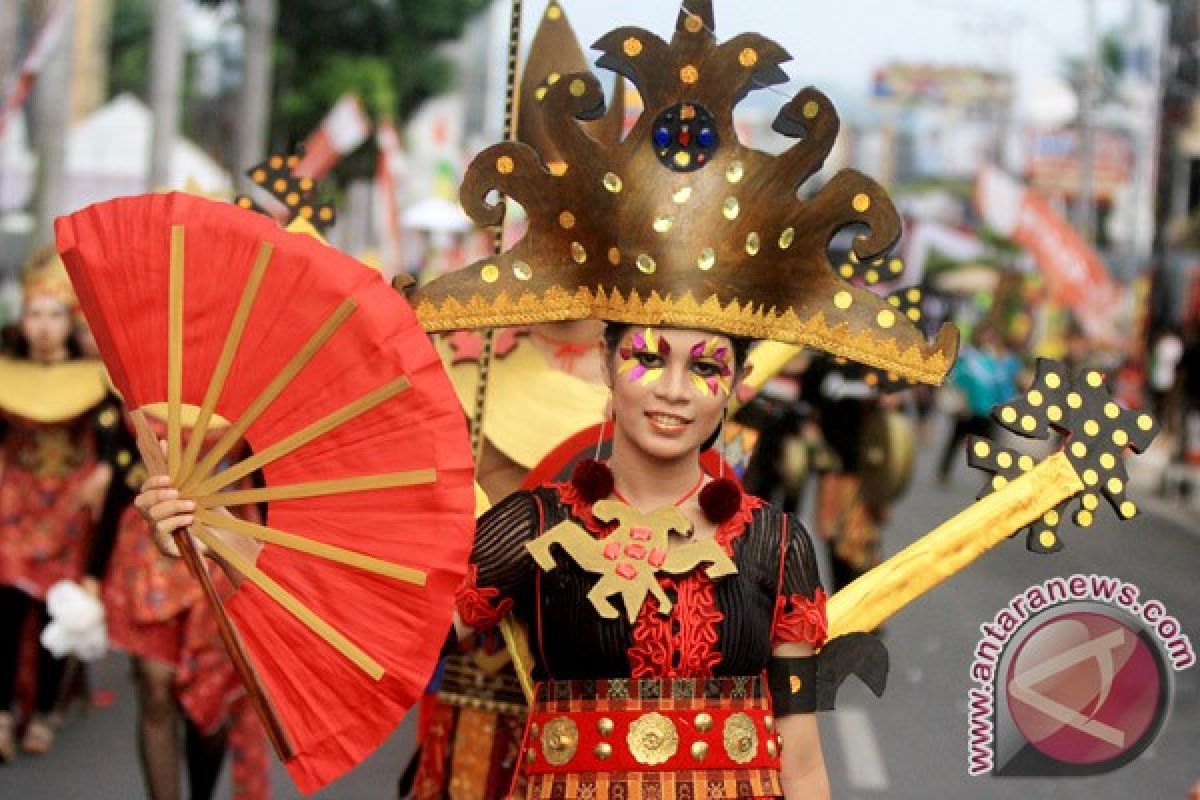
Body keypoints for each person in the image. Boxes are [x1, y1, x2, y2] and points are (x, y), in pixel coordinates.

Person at [131, 2, 962, 796]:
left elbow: (802, 759)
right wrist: (211, 536)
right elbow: (376, 598)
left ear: (735, 389)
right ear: (608, 362)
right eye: (646, 357)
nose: (673, 390)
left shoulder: (778, 547)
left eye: (705, 367)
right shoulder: (531, 526)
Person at [0, 250, 112, 761]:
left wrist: (107, 471)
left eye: (53, 315)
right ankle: (3, 712)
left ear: (69, 323)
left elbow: (118, 443)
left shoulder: (98, 380)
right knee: (5, 607)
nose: (43, 327)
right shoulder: (6, 374)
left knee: (55, 610)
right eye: (34, 314)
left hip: (70, 508)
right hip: (14, 505)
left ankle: (44, 711)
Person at [937, 326, 1020, 484]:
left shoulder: (998, 362)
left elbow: (1002, 386)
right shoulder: (969, 358)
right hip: (968, 409)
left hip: (986, 411)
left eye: (991, 339)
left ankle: (992, 476)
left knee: (988, 446)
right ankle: (944, 471)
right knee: (955, 442)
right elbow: (957, 379)